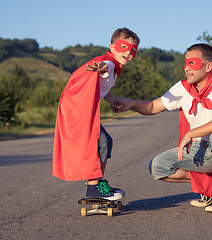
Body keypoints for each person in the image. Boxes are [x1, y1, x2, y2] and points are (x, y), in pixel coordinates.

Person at [113, 43, 212, 214]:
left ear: (208, 66)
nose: (187, 68)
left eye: (193, 63)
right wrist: (130, 104)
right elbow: (153, 107)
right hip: (199, 150)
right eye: (186, 63)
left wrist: (191, 133)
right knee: (157, 166)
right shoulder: (183, 88)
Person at [52, 27, 140, 201]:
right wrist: (101, 67)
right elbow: (104, 68)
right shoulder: (108, 63)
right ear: (112, 47)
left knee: (106, 142)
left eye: (133, 50)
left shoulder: (114, 67)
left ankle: (96, 183)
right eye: (124, 47)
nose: (128, 53)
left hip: (79, 111)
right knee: (101, 143)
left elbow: (102, 87)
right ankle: (94, 188)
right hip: (77, 112)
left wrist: (112, 99)